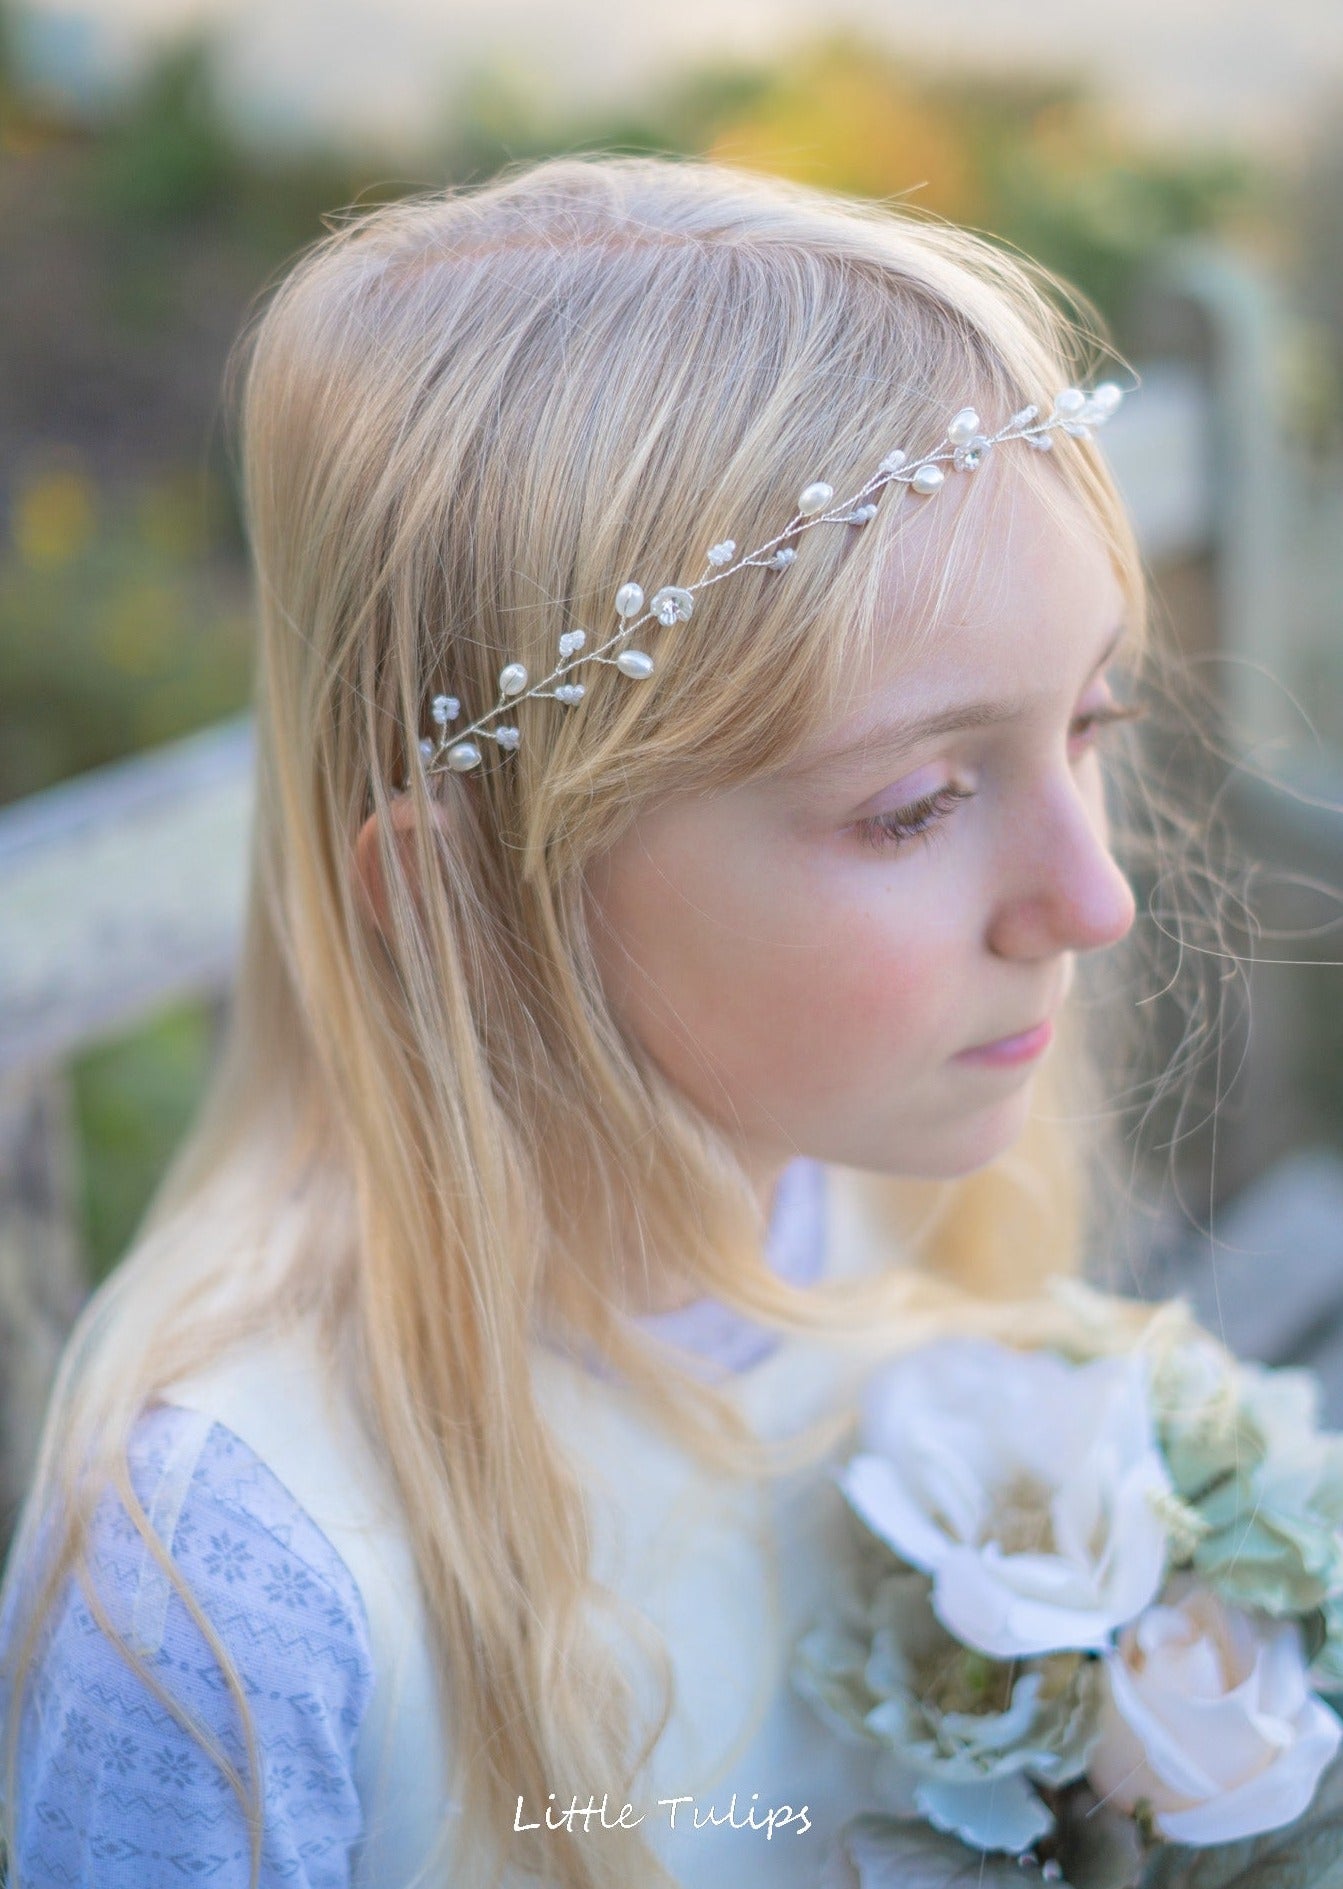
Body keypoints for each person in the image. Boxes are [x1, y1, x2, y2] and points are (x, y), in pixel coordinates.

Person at [0, 151, 1197, 1887]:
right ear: (464, 904)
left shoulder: (881, 1199)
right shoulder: (230, 1595)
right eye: (920, 803)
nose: (1097, 899)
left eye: (1091, 720)